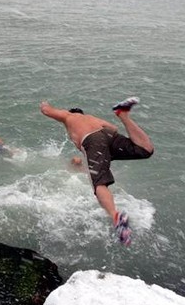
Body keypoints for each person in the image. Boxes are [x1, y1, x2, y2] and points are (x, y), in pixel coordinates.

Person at [40, 96, 154, 246]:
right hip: (108, 136)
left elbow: (47, 111)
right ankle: (123, 115)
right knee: (145, 150)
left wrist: (44, 103)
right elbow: (113, 128)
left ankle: (116, 217)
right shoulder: (93, 118)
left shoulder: (69, 116)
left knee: (100, 183)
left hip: (92, 140)